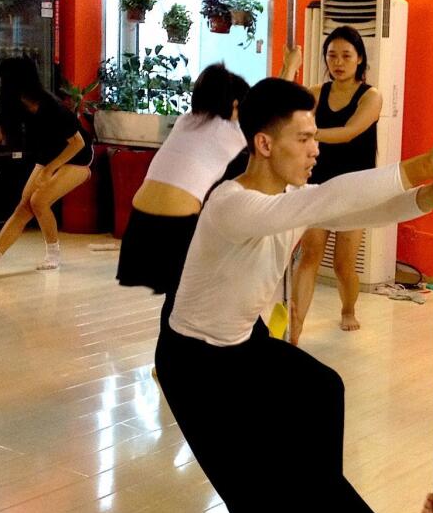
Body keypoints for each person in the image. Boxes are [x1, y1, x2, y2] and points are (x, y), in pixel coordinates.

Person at [155, 78, 433, 513]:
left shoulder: (288, 196)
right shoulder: (231, 203)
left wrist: (429, 195)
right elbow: (326, 200)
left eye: (315, 137)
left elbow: (351, 208)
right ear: (264, 144)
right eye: (303, 138)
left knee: (319, 392)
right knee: (265, 471)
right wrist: (419, 166)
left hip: (243, 341)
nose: (315, 149)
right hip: (194, 361)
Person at [117, 50, 302, 320]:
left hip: (140, 223)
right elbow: (272, 109)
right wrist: (290, 66)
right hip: (175, 225)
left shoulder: (185, 122)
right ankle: (182, 356)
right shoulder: (231, 129)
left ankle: (173, 357)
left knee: (178, 296)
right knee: (188, 298)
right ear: (237, 106)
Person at [289, 26, 384, 343]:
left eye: (346, 55)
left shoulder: (371, 96)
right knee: (309, 255)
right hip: (319, 184)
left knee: (344, 265)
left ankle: (348, 308)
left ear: (359, 59)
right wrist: (290, 66)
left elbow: (349, 132)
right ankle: (296, 329)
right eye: (332, 55)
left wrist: (309, 134)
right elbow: (284, 109)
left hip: (356, 187)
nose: (339, 62)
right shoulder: (316, 93)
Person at [0, 57, 93, 274]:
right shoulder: (14, 106)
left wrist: (50, 169)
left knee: (39, 201)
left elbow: (77, 143)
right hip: (48, 156)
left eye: (2, 78)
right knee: (24, 206)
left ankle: (53, 255)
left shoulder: (52, 107)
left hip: (77, 157)